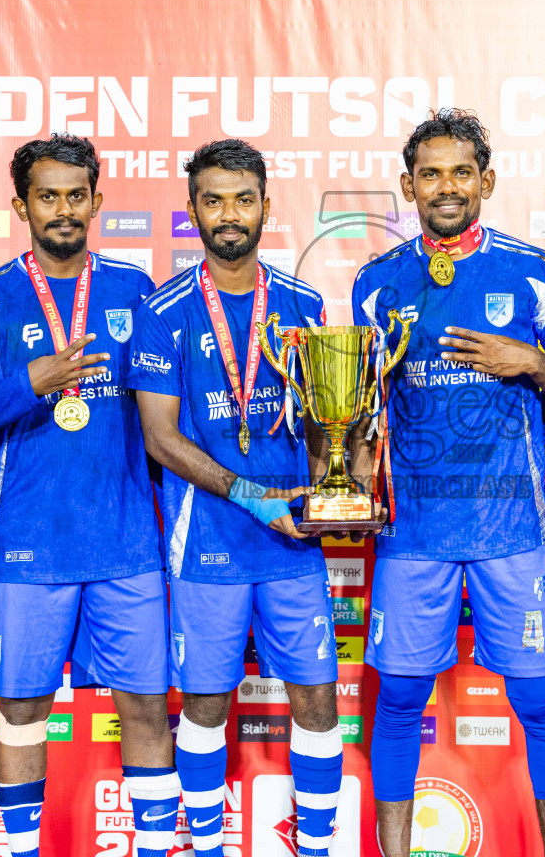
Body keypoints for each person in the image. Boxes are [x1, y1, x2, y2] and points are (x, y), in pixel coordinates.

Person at [0, 134, 176, 857]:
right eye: (47, 196)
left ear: (97, 202)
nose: (62, 210)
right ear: (20, 206)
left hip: (125, 542)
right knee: (21, 710)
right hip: (28, 543)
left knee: (144, 709)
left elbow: (167, 418)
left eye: (76, 195)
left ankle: (157, 847)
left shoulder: (135, 291)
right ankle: (19, 849)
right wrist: (26, 384)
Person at [349, 110, 545, 856]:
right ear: (407, 185)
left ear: (485, 180)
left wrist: (530, 364)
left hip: (510, 528)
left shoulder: (530, 272)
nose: (444, 188)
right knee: (399, 703)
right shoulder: (376, 283)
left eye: (459, 173)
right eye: (429, 174)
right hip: (413, 530)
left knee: (541, 702)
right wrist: (352, 451)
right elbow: (357, 400)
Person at [130, 139, 342, 857]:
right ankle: (210, 847)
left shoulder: (303, 303)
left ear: (264, 207)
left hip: (291, 545)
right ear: (192, 211)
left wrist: (332, 490)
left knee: (316, 699)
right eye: (213, 200)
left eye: (242, 199)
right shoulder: (163, 309)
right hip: (208, 544)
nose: (229, 214)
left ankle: (314, 846)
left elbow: (326, 421)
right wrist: (254, 495)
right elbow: (159, 438)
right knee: (206, 705)